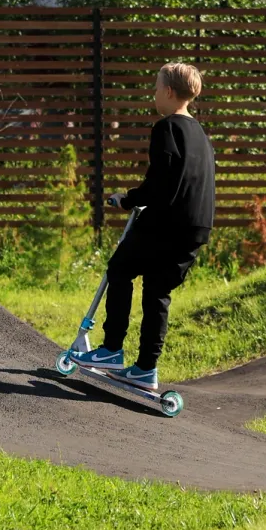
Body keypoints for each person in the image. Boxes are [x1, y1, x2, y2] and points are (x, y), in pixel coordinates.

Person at [69, 62, 215, 390]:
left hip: (167, 221)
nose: (153, 94)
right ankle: (145, 368)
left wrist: (128, 199)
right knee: (157, 293)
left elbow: (160, 180)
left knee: (120, 268)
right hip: (196, 227)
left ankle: (110, 351)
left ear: (168, 92)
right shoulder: (200, 135)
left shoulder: (167, 128)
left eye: (155, 87)